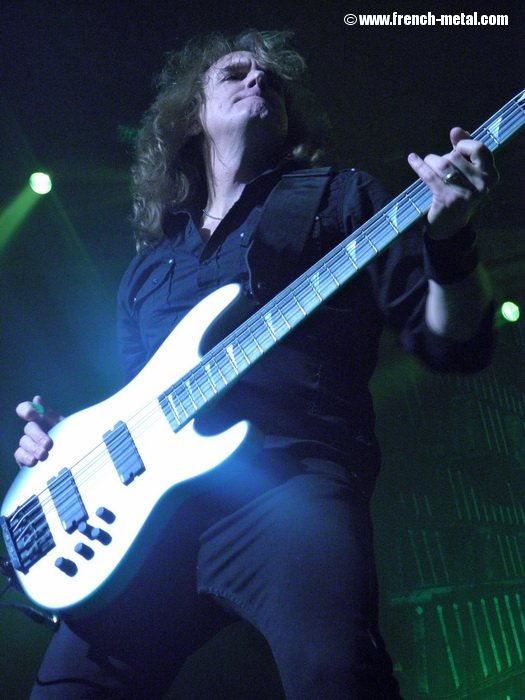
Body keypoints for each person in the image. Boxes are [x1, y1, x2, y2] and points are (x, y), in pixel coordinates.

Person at [13, 29, 498, 699]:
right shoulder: (150, 269)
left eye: (272, 79)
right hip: (154, 524)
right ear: (192, 114)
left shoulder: (339, 197)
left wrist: (451, 243)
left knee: (336, 675)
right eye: (235, 72)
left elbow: (453, 342)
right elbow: (136, 408)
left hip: (288, 484)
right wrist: (66, 446)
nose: (259, 80)